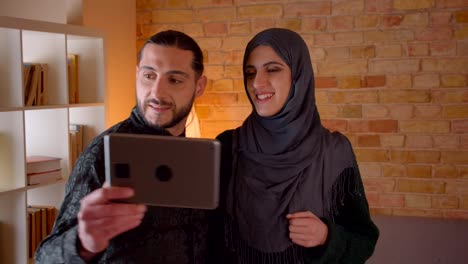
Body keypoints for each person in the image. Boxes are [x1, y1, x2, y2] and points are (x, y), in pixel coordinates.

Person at [35, 30, 210, 263]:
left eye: (175, 80)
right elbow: (45, 258)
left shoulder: (198, 158)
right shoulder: (104, 152)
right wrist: (84, 242)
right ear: (137, 75)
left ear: (199, 86)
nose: (157, 93)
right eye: (149, 76)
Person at [214, 28, 379, 263]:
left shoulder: (334, 152)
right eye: (250, 73)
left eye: (272, 69)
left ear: (299, 75)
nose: (257, 83)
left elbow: (364, 242)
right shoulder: (227, 146)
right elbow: (200, 234)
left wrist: (327, 237)